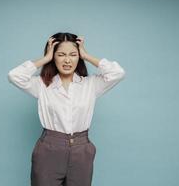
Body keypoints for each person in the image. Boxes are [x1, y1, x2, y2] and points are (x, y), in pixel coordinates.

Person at [7, 32, 126, 186]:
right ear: (53, 57)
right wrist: (44, 59)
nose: (68, 60)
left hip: (81, 150)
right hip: (49, 149)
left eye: (73, 54)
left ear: (79, 57)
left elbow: (118, 73)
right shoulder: (42, 85)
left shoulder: (90, 84)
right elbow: (13, 75)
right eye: (61, 54)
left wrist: (87, 55)